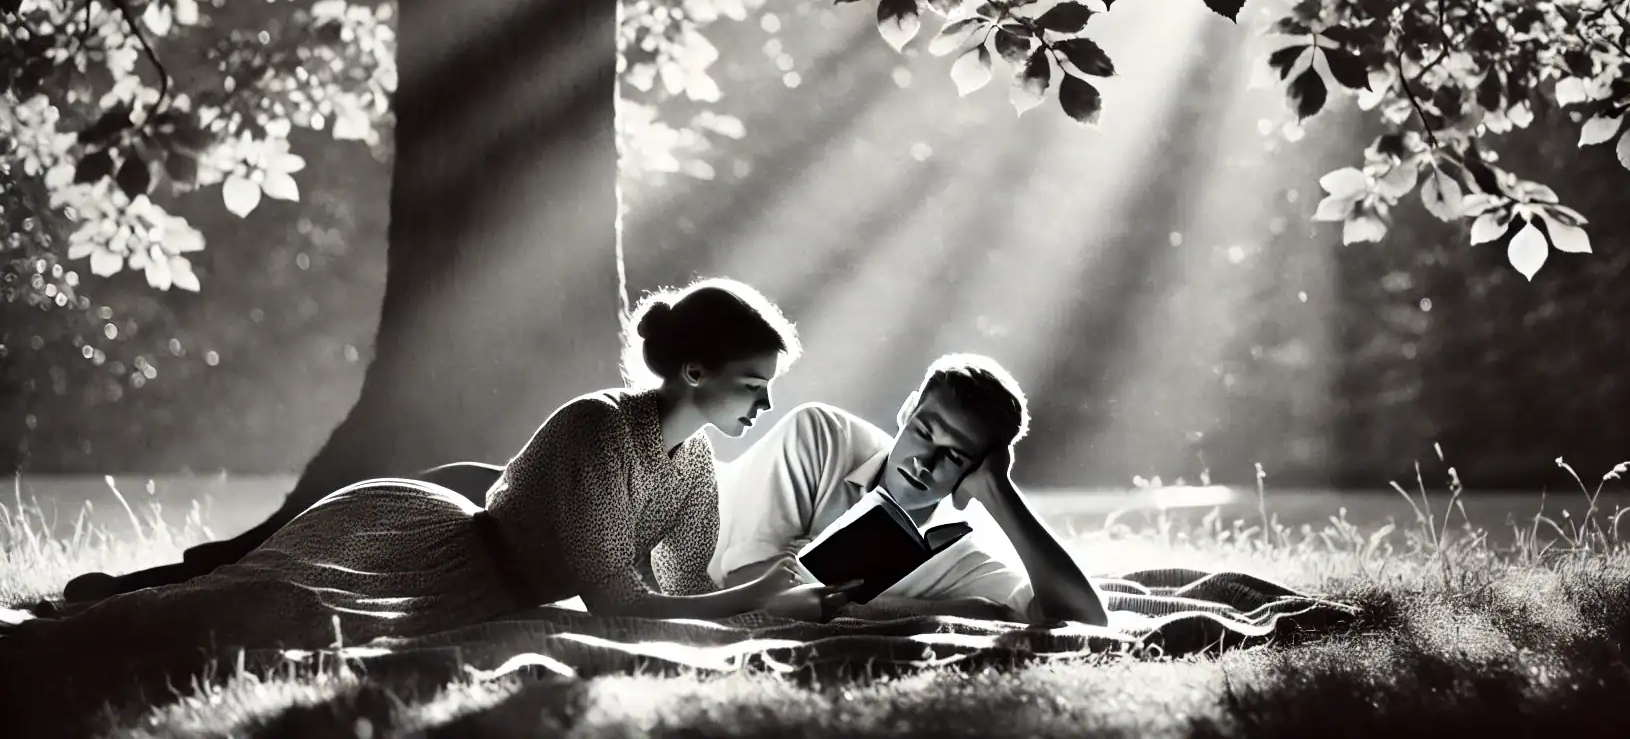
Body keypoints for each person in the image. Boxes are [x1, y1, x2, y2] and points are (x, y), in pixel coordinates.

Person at [5, 279, 854, 673]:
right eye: (754, 382)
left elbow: (686, 591)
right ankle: (101, 601)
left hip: (488, 580)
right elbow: (615, 602)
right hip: (418, 546)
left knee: (245, 619)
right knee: (249, 614)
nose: (767, 403)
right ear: (695, 372)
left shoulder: (696, 463)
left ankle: (126, 593)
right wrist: (759, 599)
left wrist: (786, 596)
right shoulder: (598, 428)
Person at [712, 353, 1109, 627]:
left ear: (978, 467)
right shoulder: (821, 437)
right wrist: (950, 609)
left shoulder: (961, 550)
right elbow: (744, 585)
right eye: (923, 432)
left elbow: (1085, 620)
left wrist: (1000, 493)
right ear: (907, 411)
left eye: (954, 456)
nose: (924, 462)